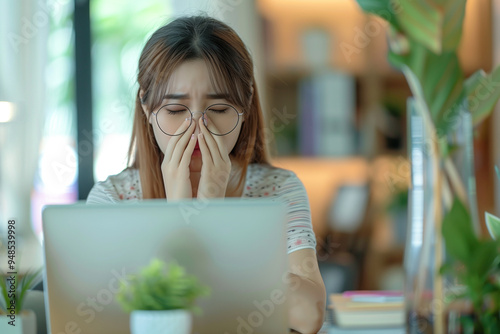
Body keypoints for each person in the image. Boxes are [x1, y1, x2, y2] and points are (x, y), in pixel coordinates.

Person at [87, 15, 326, 333]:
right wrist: (179, 218)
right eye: (175, 111)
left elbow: (309, 316)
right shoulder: (112, 199)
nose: (198, 130)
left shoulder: (277, 190)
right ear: (146, 108)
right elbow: (97, 318)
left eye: (218, 110)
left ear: (245, 106)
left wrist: (213, 218)